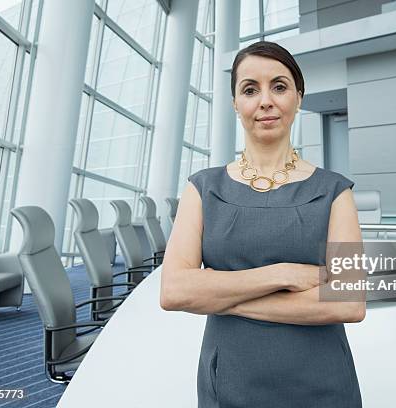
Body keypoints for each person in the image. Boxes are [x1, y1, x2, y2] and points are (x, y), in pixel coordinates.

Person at [160, 41, 364, 407]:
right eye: (250, 89)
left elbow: (349, 301)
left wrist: (221, 298)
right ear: (235, 103)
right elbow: (174, 291)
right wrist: (282, 274)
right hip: (231, 383)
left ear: (298, 98)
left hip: (322, 385)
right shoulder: (203, 188)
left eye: (280, 86)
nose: (265, 100)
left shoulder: (335, 191)